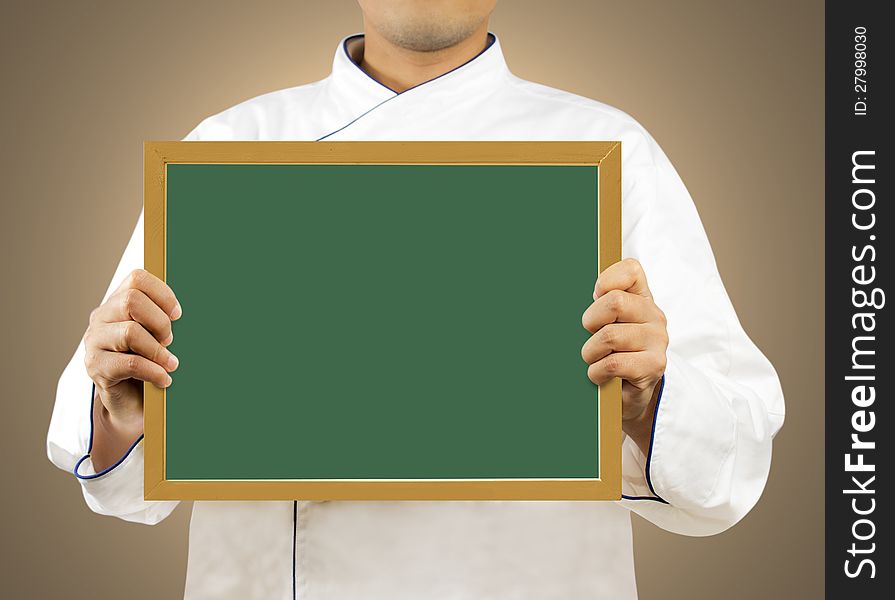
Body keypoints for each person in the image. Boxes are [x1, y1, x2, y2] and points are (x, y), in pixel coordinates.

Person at [46, 1, 786, 598]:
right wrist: (124, 409)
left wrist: (649, 395)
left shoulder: (608, 150)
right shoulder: (225, 146)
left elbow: (733, 462)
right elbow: (113, 469)